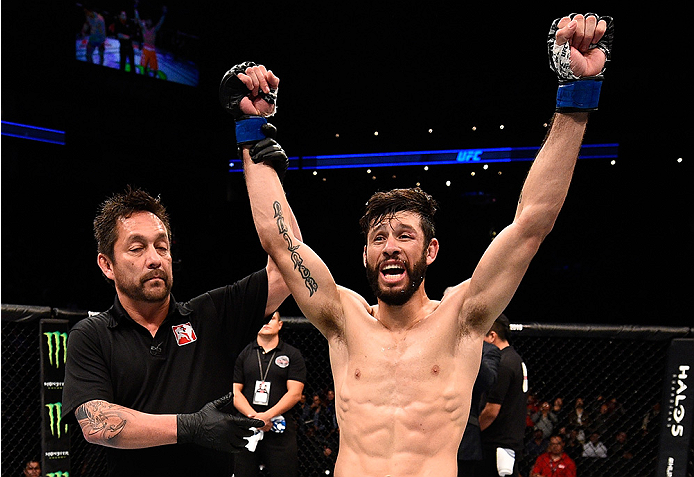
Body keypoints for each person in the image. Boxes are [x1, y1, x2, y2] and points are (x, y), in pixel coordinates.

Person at [232, 12, 613, 476]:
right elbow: (280, 239)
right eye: (379, 238)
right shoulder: (341, 318)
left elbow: (532, 223)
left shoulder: (463, 317)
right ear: (366, 255)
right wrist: (251, 130)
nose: (391, 247)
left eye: (405, 235)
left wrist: (575, 95)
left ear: (430, 252)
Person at [62, 186, 300, 476]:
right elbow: (95, 424)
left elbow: (289, 269)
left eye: (162, 247)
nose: (154, 259)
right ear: (107, 265)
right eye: (137, 248)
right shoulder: (91, 335)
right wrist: (191, 427)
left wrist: (267, 177)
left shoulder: (210, 315)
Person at [233, 311, 307, 477]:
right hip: (247, 426)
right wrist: (254, 417)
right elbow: (235, 392)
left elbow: (295, 393)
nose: (266, 322)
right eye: (263, 319)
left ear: (280, 325)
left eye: (272, 318)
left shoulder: (292, 355)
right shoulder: (243, 353)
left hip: (280, 428)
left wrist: (267, 416)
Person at [477, 314, 529, 477]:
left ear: (492, 336)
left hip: (496, 444)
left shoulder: (503, 363)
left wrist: (472, 432)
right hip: (507, 441)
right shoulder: (515, 359)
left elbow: (492, 410)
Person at [457, 340, 501, 477]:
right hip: (427, 431)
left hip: (464, 436)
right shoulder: (436, 342)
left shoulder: (487, 350)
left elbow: (487, 381)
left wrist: (468, 349)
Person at [134, 1, 167, 77]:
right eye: (147, 20)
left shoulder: (154, 29)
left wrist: (164, 14)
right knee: (144, 67)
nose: (147, 21)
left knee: (155, 68)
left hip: (152, 50)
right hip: (145, 48)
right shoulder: (144, 28)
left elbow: (160, 22)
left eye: (149, 20)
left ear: (151, 22)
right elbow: (138, 19)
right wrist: (135, 8)